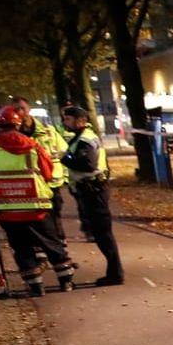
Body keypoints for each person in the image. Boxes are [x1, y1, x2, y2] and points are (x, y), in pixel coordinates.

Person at [0, 105, 76, 295]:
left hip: (6, 209)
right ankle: (65, 281)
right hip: (37, 207)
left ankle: (36, 286)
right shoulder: (33, 145)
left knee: (21, 248)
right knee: (51, 243)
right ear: (17, 125)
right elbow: (48, 172)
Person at [59, 105, 123, 285]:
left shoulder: (85, 140)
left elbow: (87, 164)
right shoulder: (81, 138)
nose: (65, 123)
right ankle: (114, 273)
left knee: (103, 234)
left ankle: (115, 274)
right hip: (91, 189)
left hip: (94, 190)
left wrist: (64, 158)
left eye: (68, 119)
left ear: (80, 121)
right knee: (101, 233)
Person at [10, 97, 73, 246]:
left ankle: (60, 245)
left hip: (50, 182)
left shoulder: (48, 131)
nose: (19, 112)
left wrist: (64, 177)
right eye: (15, 109)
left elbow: (64, 153)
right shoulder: (12, 135)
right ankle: (43, 248)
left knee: (55, 215)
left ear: (29, 109)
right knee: (36, 219)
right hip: (29, 185)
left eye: (22, 108)